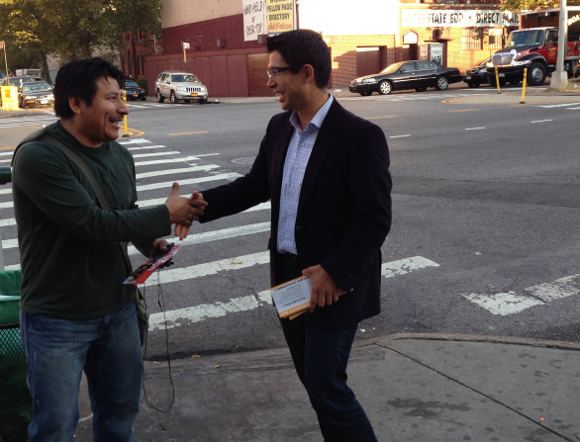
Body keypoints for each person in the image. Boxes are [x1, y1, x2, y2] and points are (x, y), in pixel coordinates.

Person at [197, 30, 392, 441]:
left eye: (275, 72)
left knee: (327, 387)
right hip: (288, 277)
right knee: (316, 386)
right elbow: (253, 186)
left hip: (331, 284)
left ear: (306, 73)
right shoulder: (279, 128)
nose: (269, 82)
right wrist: (198, 206)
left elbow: (374, 220)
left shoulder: (360, 136)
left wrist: (335, 273)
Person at [11, 57, 206, 441]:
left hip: (117, 312)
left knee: (119, 418)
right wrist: (166, 213)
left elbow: (123, 214)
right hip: (57, 319)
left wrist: (151, 243)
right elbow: (91, 224)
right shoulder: (38, 156)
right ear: (76, 103)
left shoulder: (121, 156)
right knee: (54, 427)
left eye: (122, 97)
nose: (123, 107)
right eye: (111, 98)